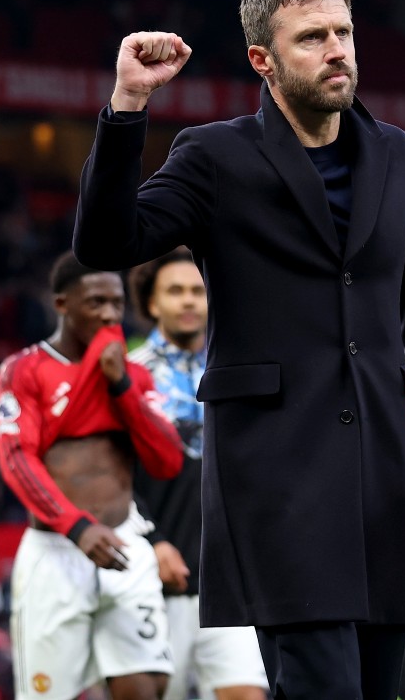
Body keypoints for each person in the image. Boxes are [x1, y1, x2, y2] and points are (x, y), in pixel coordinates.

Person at [72, 0, 405, 700]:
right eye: (312, 38)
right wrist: (128, 105)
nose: (336, 50)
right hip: (277, 481)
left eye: (344, 32)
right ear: (263, 59)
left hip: (383, 483)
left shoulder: (398, 154)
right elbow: (104, 245)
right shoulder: (214, 156)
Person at [0, 252, 184, 700]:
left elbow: (167, 460)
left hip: (124, 545)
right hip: (56, 551)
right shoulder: (24, 370)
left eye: (116, 303)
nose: (110, 314)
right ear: (62, 304)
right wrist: (77, 527)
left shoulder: (134, 375)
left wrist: (120, 386)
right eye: (95, 302)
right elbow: (18, 460)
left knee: (146, 688)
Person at [127, 248, 269, 700]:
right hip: (154, 575)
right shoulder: (127, 375)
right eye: (175, 291)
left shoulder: (238, 370)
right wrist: (151, 541)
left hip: (230, 577)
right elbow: (111, 473)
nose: (189, 301)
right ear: (151, 303)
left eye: (197, 291)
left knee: (246, 694)